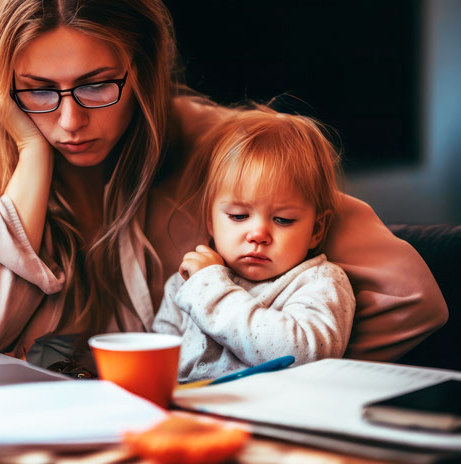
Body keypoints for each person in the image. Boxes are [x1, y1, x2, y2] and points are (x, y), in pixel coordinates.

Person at [0, 0, 446, 370]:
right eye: (36, 90)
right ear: (2, 87)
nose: (70, 122)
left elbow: (410, 296)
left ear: (143, 69)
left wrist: (268, 377)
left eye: (97, 85)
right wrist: (31, 159)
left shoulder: (218, 150)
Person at [151, 106, 355, 383]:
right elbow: (158, 353)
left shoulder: (318, 281)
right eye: (238, 216)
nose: (258, 234)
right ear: (210, 222)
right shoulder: (188, 280)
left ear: (316, 229)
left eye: (282, 220)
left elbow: (303, 356)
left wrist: (213, 293)